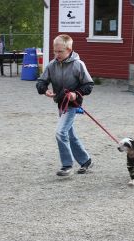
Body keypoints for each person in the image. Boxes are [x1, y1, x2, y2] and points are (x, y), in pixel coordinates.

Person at [36, 34, 94, 176]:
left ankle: (67, 165)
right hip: (60, 104)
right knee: (69, 134)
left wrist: (76, 93)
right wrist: (45, 90)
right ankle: (86, 160)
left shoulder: (78, 65)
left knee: (60, 132)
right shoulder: (52, 65)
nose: (56, 54)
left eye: (60, 51)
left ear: (69, 49)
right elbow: (41, 82)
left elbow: (89, 85)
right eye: (55, 51)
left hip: (73, 105)